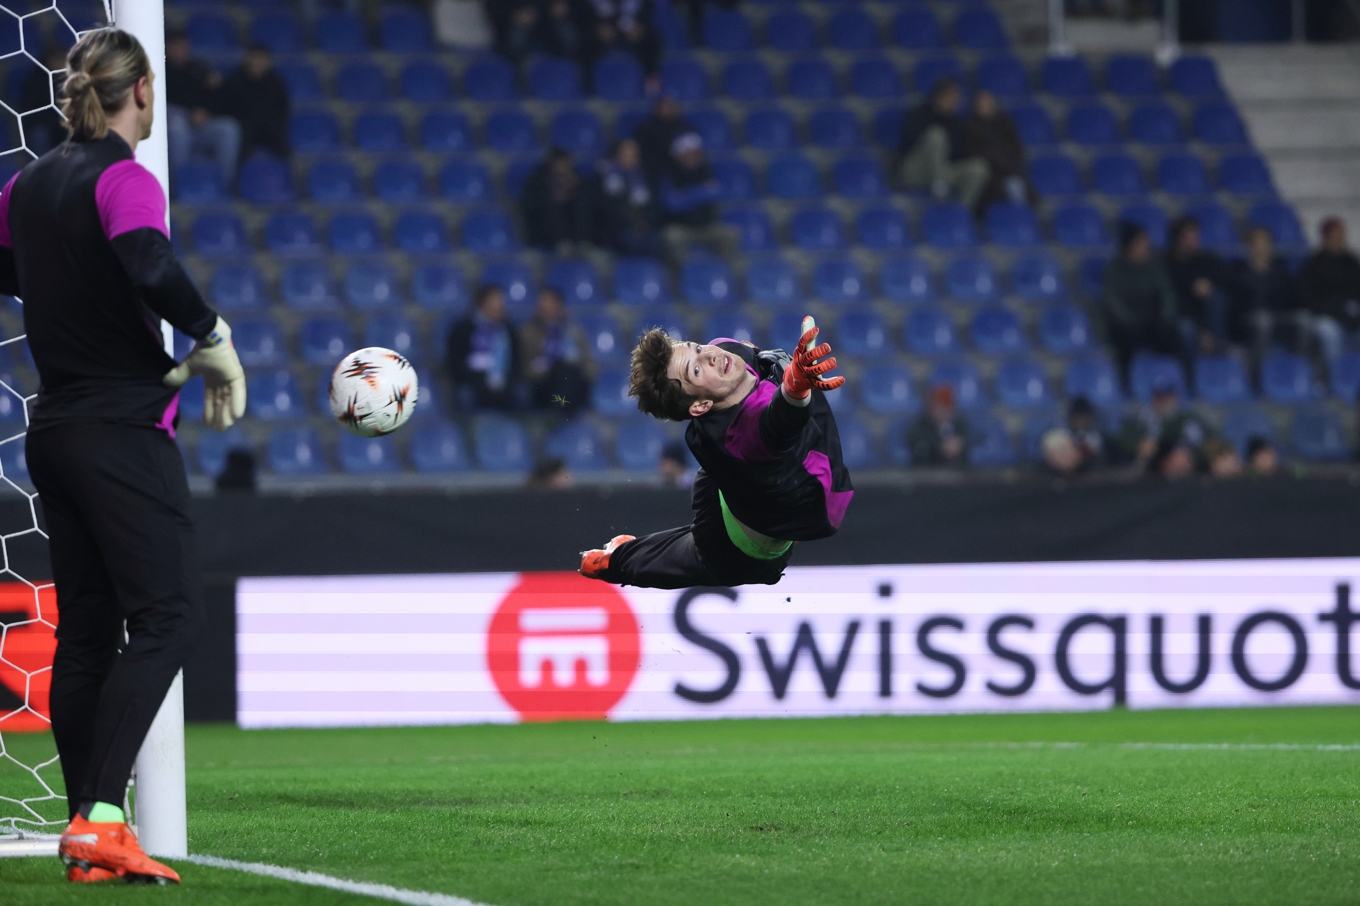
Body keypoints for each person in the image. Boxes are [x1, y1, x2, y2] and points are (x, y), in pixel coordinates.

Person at [0, 28, 246, 885]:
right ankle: (104, 817)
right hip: (119, 430)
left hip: (55, 431)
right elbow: (148, 260)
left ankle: (87, 831)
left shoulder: (28, 183)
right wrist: (209, 334)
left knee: (88, 636)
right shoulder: (124, 177)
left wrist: (70, 292)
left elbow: (12, 268)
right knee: (171, 615)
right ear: (142, 89)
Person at [580, 317, 852, 588]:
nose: (710, 355)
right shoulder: (744, 436)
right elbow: (780, 422)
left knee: (709, 477)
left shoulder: (725, 350)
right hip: (742, 550)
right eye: (696, 370)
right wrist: (795, 387)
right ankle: (614, 561)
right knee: (690, 558)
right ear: (700, 406)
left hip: (731, 484)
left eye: (697, 348)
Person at [1101, 222, 1183, 382]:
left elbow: (1167, 294)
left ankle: (1174, 382)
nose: (1146, 245)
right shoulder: (1114, 270)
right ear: (1130, 245)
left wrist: (1164, 317)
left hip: (1154, 321)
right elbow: (1113, 301)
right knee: (1124, 343)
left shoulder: (1154, 267)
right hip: (1127, 325)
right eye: (1141, 242)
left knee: (1175, 337)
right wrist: (1131, 320)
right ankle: (1126, 383)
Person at [895, 78, 990, 208]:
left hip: (942, 170)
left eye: (956, 96)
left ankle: (961, 211)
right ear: (939, 96)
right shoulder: (919, 114)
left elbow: (958, 154)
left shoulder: (955, 122)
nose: (956, 100)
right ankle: (939, 185)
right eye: (952, 95)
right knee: (936, 135)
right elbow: (908, 143)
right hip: (915, 171)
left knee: (979, 168)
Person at [164, 30, 240, 188]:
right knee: (177, 128)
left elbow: (218, 97)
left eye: (184, 46)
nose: (182, 50)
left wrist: (206, 111)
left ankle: (224, 185)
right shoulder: (161, 70)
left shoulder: (199, 68)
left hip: (202, 126)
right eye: (177, 47)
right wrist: (189, 114)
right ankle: (177, 186)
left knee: (229, 128)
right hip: (176, 126)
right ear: (168, 48)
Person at [659, 132, 739, 265]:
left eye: (695, 153)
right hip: (682, 227)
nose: (692, 157)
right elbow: (672, 205)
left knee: (730, 234)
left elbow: (720, 193)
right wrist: (701, 193)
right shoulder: (669, 175)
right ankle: (685, 273)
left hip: (707, 225)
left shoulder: (706, 171)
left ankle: (727, 272)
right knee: (672, 237)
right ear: (678, 155)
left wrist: (687, 196)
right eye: (687, 154)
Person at [957, 88, 1033, 214]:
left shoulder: (1005, 123)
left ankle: (1022, 218)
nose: (986, 108)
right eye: (982, 105)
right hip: (987, 177)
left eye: (989, 103)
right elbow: (972, 154)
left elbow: (1016, 149)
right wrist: (996, 158)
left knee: (1015, 185)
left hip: (1009, 170)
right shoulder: (969, 127)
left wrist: (1005, 162)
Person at [1117, 378, 1214, 475]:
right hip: (1147, 471)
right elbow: (1124, 438)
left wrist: (1186, 453)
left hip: (1184, 471)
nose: (1163, 402)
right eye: (1159, 398)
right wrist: (1140, 444)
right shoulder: (1141, 418)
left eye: (1167, 397)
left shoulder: (1186, 419)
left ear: (1175, 398)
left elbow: (1202, 442)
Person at [446, 285, 521, 411]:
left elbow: (516, 362)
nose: (500, 305)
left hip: (505, 385)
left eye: (501, 301)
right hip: (474, 384)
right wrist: (482, 379)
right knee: (465, 395)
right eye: (496, 300)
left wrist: (504, 380)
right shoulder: (464, 328)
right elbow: (456, 363)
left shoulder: (508, 330)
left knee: (521, 393)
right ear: (483, 303)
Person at [519, 286, 593, 411]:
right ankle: (560, 409)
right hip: (544, 382)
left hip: (572, 379)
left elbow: (587, 361)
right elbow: (524, 365)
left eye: (551, 302)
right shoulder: (527, 332)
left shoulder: (573, 331)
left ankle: (563, 409)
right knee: (560, 370)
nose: (546, 306)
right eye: (543, 302)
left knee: (568, 372)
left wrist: (589, 372)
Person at [1226, 225, 1299, 352]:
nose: (1262, 247)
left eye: (1266, 243)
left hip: (1278, 319)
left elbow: (1291, 302)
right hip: (1249, 322)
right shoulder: (1237, 274)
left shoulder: (1281, 272)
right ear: (1248, 247)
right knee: (1263, 321)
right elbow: (1236, 310)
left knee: (1303, 320)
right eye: (1258, 243)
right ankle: (1257, 363)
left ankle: (1299, 361)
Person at [215, 43, 290, 163]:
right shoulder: (234, 80)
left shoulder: (276, 82)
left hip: (269, 127)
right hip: (244, 129)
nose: (257, 62)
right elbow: (225, 108)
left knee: (284, 148)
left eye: (261, 58)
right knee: (237, 147)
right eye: (254, 57)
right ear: (247, 59)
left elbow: (283, 109)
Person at [1298, 217, 1360, 361]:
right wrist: (1334, 310)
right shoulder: (1313, 264)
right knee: (1330, 333)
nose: (1338, 240)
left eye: (1340, 236)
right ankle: (1334, 372)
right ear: (1325, 238)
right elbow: (1307, 298)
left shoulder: (1351, 262)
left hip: (1349, 314)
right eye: (1334, 236)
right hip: (1323, 315)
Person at [1166, 216, 1229, 353]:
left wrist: (1210, 285)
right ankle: (1190, 366)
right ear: (1178, 240)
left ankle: (1219, 347)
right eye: (1189, 237)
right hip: (1180, 319)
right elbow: (1174, 302)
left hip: (1207, 322)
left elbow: (1226, 280)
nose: (1195, 241)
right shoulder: (1167, 265)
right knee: (1186, 328)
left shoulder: (1206, 260)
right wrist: (1200, 332)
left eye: (1195, 236)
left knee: (1216, 297)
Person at [592, 138, 660, 257]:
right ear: (616, 156)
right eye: (626, 155)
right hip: (616, 233)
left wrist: (645, 224)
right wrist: (632, 225)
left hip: (644, 231)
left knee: (656, 242)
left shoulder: (645, 178)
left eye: (634, 155)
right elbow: (606, 211)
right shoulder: (605, 180)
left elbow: (653, 207)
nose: (631, 159)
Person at [521, 147, 593, 252]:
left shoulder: (576, 178)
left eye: (566, 163)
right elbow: (533, 205)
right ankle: (560, 243)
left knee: (582, 204)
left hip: (571, 224)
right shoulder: (537, 181)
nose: (563, 167)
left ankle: (583, 242)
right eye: (560, 163)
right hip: (543, 228)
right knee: (552, 207)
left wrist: (572, 189)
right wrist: (558, 195)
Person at [581, 0, 662, 83]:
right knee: (585, 41)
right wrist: (598, 28)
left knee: (651, 40)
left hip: (631, 28)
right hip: (600, 30)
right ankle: (586, 79)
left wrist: (638, 28)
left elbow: (648, 13)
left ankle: (650, 76)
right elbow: (581, 16)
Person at [633, 94, 694, 191]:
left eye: (670, 106)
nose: (667, 109)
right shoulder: (645, 129)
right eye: (664, 106)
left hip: (681, 169)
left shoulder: (684, 127)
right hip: (654, 170)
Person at [17, 47, 69, 157]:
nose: (62, 64)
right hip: (45, 125)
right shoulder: (34, 83)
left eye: (64, 59)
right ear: (47, 62)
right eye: (57, 60)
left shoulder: (72, 80)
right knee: (39, 135)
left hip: (66, 123)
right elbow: (31, 113)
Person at [1039, 396, 1110, 476]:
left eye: (1085, 419)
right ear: (1071, 419)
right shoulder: (1058, 437)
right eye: (1079, 419)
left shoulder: (1096, 439)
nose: (1082, 423)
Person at [906, 383, 970, 466]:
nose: (943, 412)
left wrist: (959, 442)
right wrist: (940, 446)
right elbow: (915, 439)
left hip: (957, 471)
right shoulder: (921, 423)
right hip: (928, 469)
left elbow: (971, 437)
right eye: (939, 407)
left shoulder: (960, 423)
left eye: (946, 408)